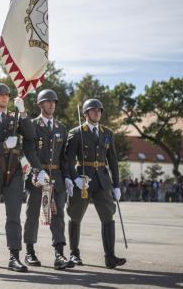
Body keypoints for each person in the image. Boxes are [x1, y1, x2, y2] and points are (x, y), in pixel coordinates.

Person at [0, 83, 39, 272]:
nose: (5, 98)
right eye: (1, 95)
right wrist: (3, 145)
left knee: (14, 215)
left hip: (14, 172)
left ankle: (14, 256)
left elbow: (31, 135)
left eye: (7, 96)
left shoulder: (15, 117)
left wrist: (24, 112)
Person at [64, 98, 126, 268]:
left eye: (99, 110)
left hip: (102, 180)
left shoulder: (107, 133)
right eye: (93, 110)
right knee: (75, 215)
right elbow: (68, 160)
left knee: (108, 216)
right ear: (85, 113)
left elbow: (113, 160)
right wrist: (74, 177)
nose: (97, 112)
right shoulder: (76, 133)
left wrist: (116, 185)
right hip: (83, 180)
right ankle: (74, 254)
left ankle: (110, 256)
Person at [23, 89, 74, 270]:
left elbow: (65, 158)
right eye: (47, 101)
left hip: (57, 178)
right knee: (33, 214)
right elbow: (29, 150)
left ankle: (59, 254)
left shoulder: (61, 128)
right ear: (40, 104)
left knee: (58, 215)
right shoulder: (32, 125)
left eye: (54, 101)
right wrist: (38, 169)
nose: (52, 104)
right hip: (38, 177)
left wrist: (67, 177)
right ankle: (29, 251)